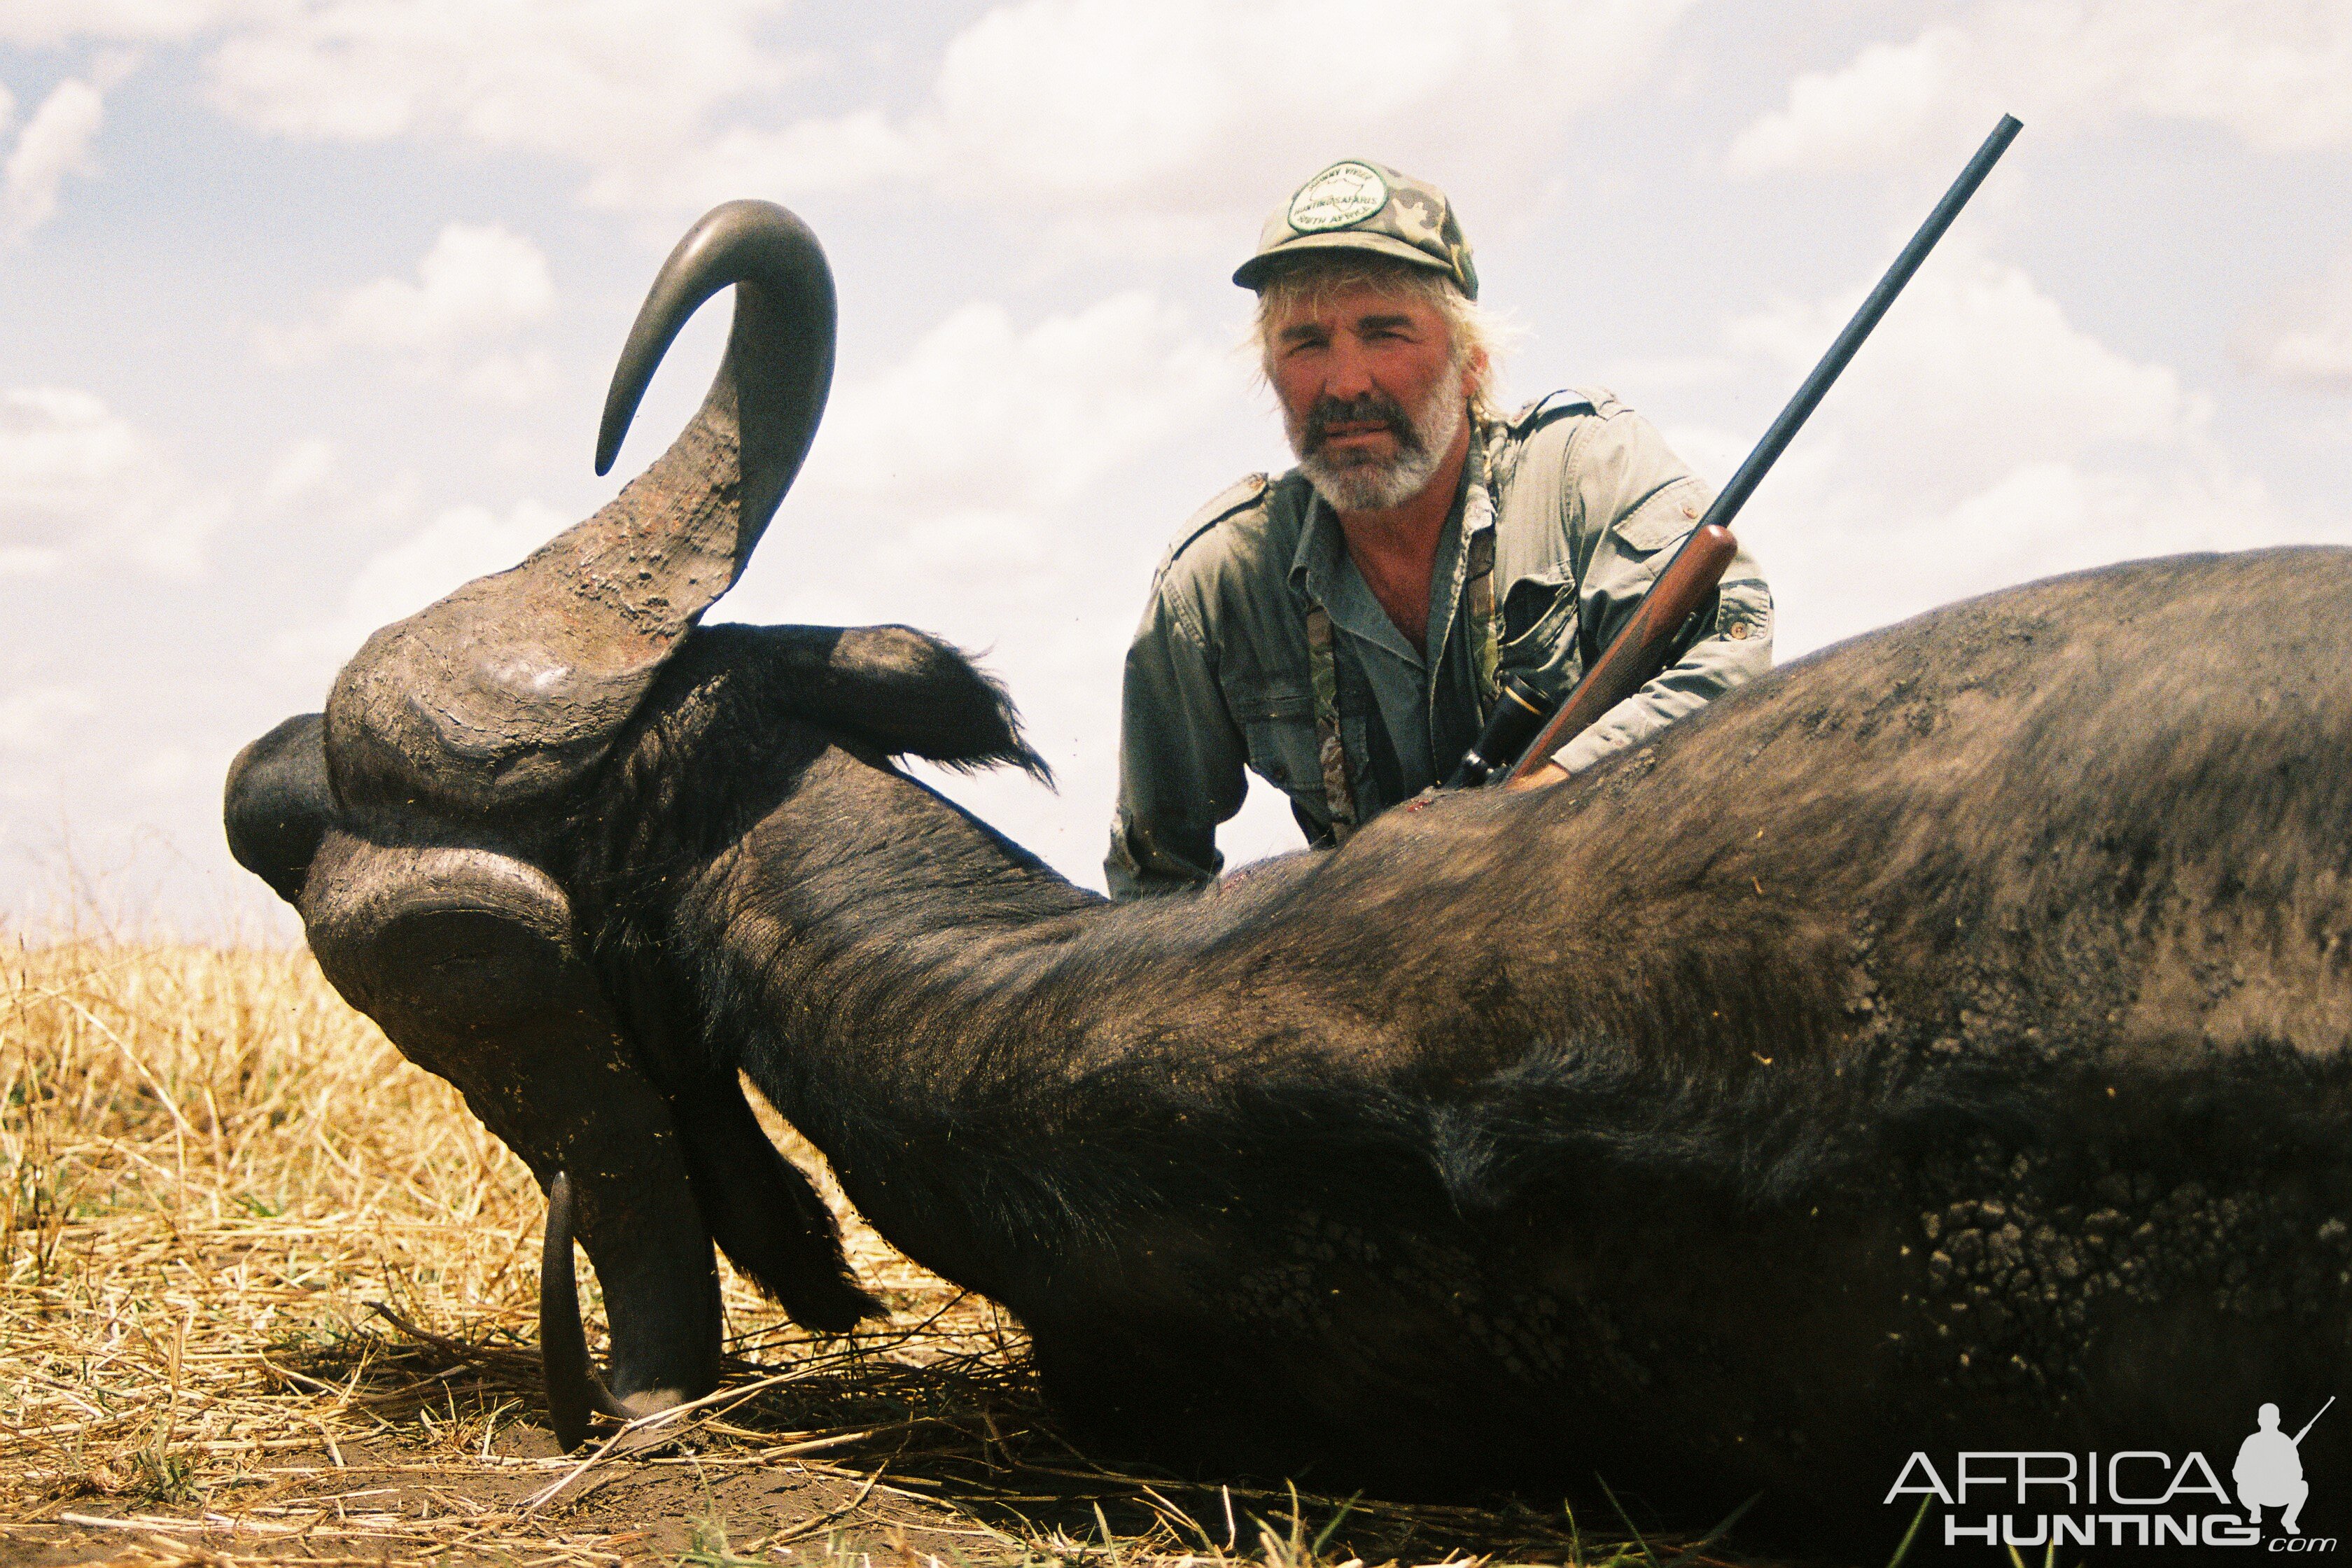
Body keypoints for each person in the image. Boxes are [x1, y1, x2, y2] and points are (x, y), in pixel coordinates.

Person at [1105, 159, 1774, 899]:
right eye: (1306, 343)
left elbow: (1731, 659)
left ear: (1471, 362)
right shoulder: (1217, 583)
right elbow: (1152, 881)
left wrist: (1541, 803)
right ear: (1270, 373)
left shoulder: (1586, 470)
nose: (1346, 383)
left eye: (1386, 333)